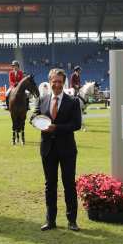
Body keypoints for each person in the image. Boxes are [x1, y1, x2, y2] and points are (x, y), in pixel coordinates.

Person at [31, 68, 81, 232]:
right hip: (47, 149)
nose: (57, 85)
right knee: (49, 185)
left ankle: (72, 221)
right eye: (54, 81)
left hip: (67, 149)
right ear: (50, 82)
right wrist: (36, 121)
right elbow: (34, 116)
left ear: (63, 82)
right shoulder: (42, 99)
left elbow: (76, 125)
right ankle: (50, 220)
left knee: (69, 185)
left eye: (60, 82)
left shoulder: (72, 101)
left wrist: (56, 128)